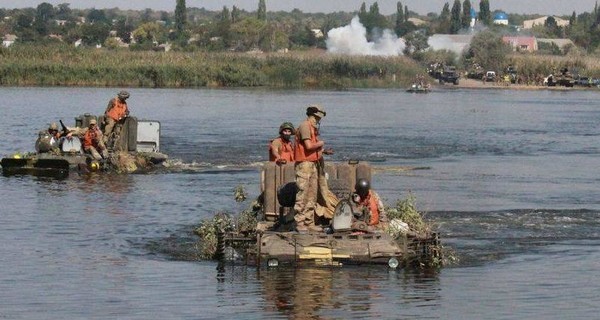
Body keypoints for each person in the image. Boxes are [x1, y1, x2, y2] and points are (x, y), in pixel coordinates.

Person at [293, 104, 333, 232]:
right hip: (304, 164)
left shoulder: (312, 127)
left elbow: (311, 149)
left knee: (312, 195)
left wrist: (323, 151)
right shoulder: (305, 126)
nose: (319, 120)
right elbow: (309, 146)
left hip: (313, 163)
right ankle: (300, 222)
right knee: (303, 193)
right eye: (318, 117)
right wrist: (320, 143)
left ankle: (309, 222)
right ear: (314, 116)